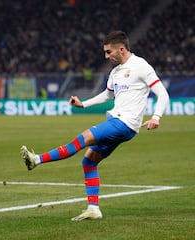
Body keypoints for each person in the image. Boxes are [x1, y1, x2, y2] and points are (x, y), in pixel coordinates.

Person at [20, 31, 169, 221]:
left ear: (121, 49)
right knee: (89, 161)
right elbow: (107, 95)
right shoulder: (115, 72)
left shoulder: (141, 66)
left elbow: (163, 94)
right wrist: (83, 104)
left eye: (109, 52)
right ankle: (93, 208)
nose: (106, 56)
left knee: (81, 139)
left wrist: (156, 116)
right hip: (116, 121)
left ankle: (37, 160)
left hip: (124, 123)